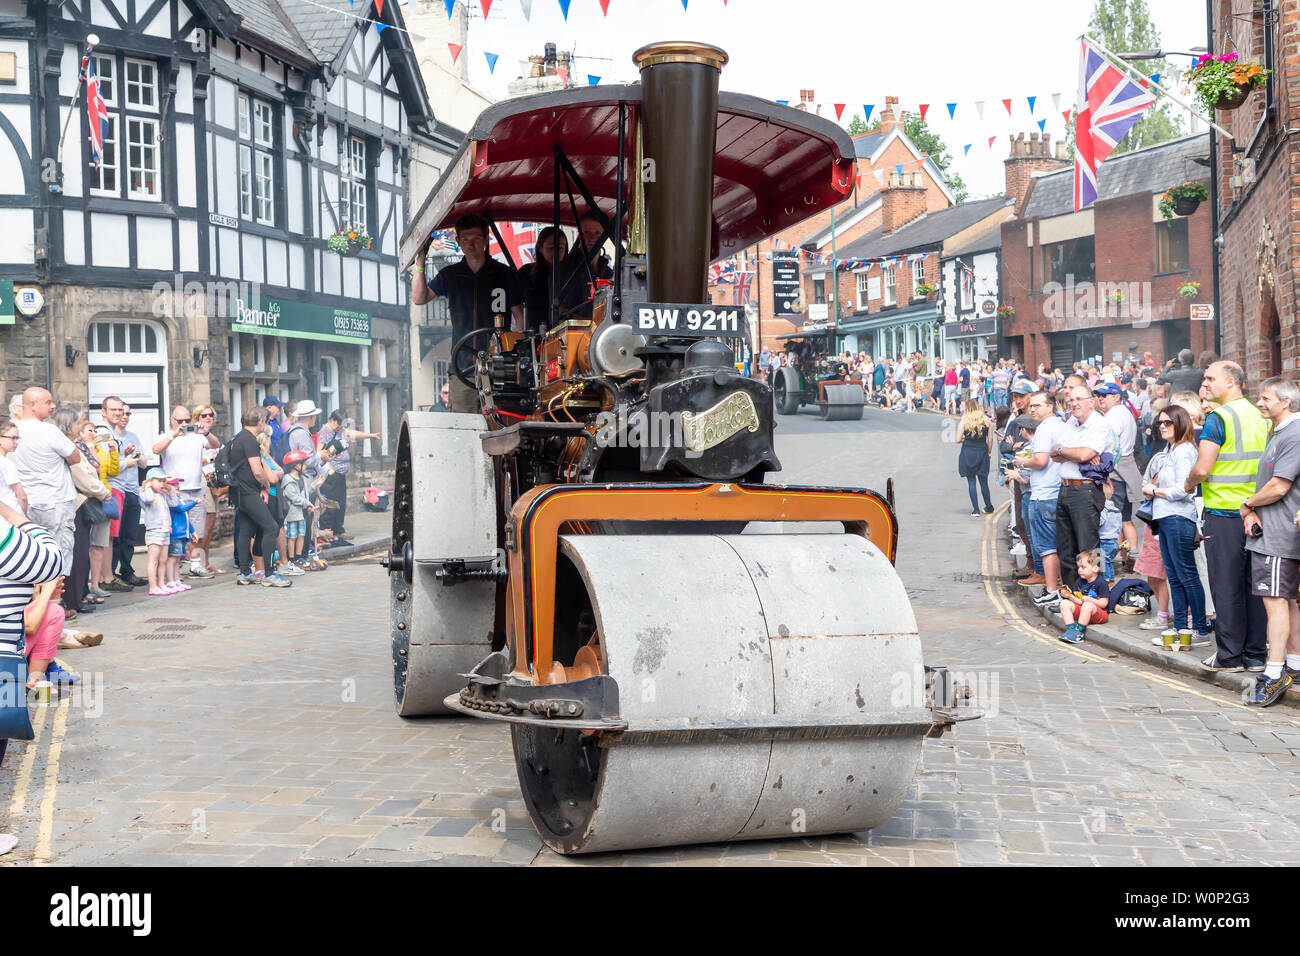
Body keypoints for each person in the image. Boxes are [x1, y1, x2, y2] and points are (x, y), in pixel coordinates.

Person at [1186, 361, 1269, 673]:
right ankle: (1255, 654)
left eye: (1211, 378)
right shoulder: (1259, 415)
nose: (1206, 383)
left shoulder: (1218, 417)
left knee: (1226, 585)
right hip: (1257, 511)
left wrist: (1188, 482)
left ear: (1231, 382)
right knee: (1255, 586)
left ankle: (1230, 656)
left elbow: (1203, 468)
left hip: (1223, 513)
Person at [412, 214, 525, 412]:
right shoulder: (451, 275)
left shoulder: (504, 274)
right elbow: (419, 297)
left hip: (499, 367)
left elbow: (520, 316)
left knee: (502, 421)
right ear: (458, 242)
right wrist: (420, 261)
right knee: (462, 425)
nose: (470, 244)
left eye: (476, 238)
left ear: (485, 240)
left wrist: (515, 352)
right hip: (462, 368)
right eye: (465, 239)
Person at [1239, 377, 1300, 705]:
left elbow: (1279, 487)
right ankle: (1294, 664)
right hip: (1275, 530)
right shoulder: (1280, 431)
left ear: (1285, 402)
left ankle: (1274, 674)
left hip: (1279, 534)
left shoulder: (1294, 433)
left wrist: (1248, 503)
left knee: (1274, 601)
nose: (1260, 403)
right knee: (1286, 600)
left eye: (1265, 398)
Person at [1143, 404, 1209, 650]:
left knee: (1187, 576)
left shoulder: (1184, 451)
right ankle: (1181, 627)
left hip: (1179, 518)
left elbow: (1185, 489)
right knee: (1174, 577)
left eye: (1168, 422)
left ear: (1181, 423)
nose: (1162, 426)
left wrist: (1155, 491)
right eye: (1160, 423)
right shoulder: (1171, 449)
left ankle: (1200, 629)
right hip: (1166, 517)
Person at [9, 387, 81, 572]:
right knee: (59, 556)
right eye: (48, 402)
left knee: (31, 557)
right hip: (55, 502)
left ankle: (37, 600)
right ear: (33, 405)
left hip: (24, 504)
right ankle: (54, 600)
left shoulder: (10, 431)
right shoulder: (49, 430)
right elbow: (75, 457)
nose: (53, 406)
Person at [1049, 385, 1115, 588]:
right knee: (1066, 549)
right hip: (1066, 488)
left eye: (1079, 399)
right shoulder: (1071, 422)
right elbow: (1054, 454)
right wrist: (1070, 451)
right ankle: (1072, 595)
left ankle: (1095, 596)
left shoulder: (1099, 424)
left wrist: (1066, 450)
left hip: (1086, 491)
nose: (1074, 404)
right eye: (1071, 400)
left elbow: (1084, 455)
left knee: (1089, 549)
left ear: (1091, 401)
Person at [152, 405, 219, 580]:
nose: (183, 424)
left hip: (196, 488)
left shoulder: (197, 437)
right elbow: (156, 450)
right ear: (171, 420)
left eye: (187, 421)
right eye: (179, 420)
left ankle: (195, 565)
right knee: (175, 531)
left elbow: (215, 445)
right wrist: (174, 435)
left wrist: (205, 432)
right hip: (174, 491)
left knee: (198, 530)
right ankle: (174, 568)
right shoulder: (166, 436)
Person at [229, 407, 290, 588]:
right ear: (260, 422)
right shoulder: (250, 441)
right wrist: (265, 485)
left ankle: (245, 572)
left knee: (246, 530)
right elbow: (257, 470)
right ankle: (270, 573)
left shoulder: (237, 438)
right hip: (249, 492)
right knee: (271, 527)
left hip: (239, 492)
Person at [1013, 392, 1065, 607]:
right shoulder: (1062, 425)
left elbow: (1041, 460)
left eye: (1037, 406)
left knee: (1046, 546)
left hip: (1044, 494)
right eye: (1031, 406)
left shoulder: (1044, 428)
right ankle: (1059, 586)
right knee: (1058, 544)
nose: (1032, 409)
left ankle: (1052, 589)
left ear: (1050, 407)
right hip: (1058, 491)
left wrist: (1023, 463)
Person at [1093, 382, 1142, 566]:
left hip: (1115, 472)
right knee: (1124, 518)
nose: (1100, 398)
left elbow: (1108, 444)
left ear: (1116, 396)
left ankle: (1119, 558)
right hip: (1124, 470)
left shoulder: (1115, 415)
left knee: (1115, 518)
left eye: (1104, 395)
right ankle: (1129, 557)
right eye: (1099, 395)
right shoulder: (1123, 413)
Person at [104, 399, 147, 590]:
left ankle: (127, 572)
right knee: (115, 536)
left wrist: (137, 455)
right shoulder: (106, 434)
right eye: (120, 412)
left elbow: (144, 464)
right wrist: (126, 458)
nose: (123, 416)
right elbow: (108, 464)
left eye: (127, 413)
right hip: (115, 489)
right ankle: (110, 574)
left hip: (132, 490)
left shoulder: (133, 436)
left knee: (130, 535)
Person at [82, 421, 119, 603]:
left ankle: (95, 585)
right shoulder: (80, 451)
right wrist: (90, 447)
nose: (94, 434)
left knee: (99, 545)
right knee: (83, 546)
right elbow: (92, 470)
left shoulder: (102, 452)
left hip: (103, 499)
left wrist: (113, 451)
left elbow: (114, 471)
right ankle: (84, 584)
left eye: (95, 431)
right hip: (86, 500)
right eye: (90, 431)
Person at [557, 212, 614, 320]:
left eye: (597, 233)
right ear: (579, 234)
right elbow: (559, 315)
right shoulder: (564, 271)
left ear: (605, 236)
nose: (592, 238)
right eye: (587, 232)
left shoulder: (609, 273)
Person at [517, 225, 570, 332]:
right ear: (540, 248)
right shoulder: (526, 273)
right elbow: (517, 307)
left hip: (565, 334)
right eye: (551, 248)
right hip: (534, 335)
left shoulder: (572, 275)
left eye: (560, 248)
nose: (556, 253)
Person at [1057, 548, 1109, 644]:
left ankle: (1079, 632)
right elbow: (1079, 601)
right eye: (1078, 567)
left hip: (1099, 613)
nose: (1079, 570)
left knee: (1087, 605)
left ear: (1095, 568)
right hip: (1084, 610)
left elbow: (1104, 604)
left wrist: (1090, 600)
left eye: (1083, 567)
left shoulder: (1101, 583)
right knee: (1064, 603)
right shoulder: (1080, 581)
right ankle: (1071, 629)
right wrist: (1069, 596)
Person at [957, 400, 995, 517]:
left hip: (968, 452)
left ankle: (976, 509)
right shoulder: (987, 421)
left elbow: (958, 439)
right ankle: (988, 506)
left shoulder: (964, 421)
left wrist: (966, 439)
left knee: (971, 481)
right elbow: (990, 439)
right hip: (982, 451)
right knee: (983, 482)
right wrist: (989, 452)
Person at [138, 468, 172, 596]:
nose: (162, 483)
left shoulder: (162, 495)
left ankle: (161, 584)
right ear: (150, 481)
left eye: (163, 481)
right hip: (154, 531)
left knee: (163, 560)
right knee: (153, 560)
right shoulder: (145, 493)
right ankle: (153, 586)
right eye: (159, 481)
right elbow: (149, 499)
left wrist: (170, 490)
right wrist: (147, 487)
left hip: (165, 531)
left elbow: (173, 504)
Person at [279, 450, 312, 574]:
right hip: (292, 514)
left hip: (302, 512)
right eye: (304, 463)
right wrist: (307, 503)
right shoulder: (288, 480)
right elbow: (294, 497)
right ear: (297, 465)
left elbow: (305, 494)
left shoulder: (302, 478)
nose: (306, 466)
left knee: (301, 535)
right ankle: (291, 559)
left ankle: (299, 559)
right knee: (292, 537)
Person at [163, 475, 197, 594]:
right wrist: (194, 502)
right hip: (175, 534)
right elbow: (181, 509)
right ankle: (171, 581)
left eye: (177, 484)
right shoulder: (171, 500)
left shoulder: (179, 499)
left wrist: (192, 531)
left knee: (178, 560)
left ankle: (176, 580)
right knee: (172, 558)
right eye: (173, 484)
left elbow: (186, 517)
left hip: (182, 533)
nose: (176, 487)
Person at [0, 421, 27, 514]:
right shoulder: (6, 464)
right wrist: (25, 516)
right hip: (12, 513)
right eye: (13, 438)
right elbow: (22, 497)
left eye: (17, 438)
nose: (16, 442)